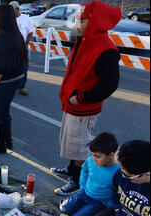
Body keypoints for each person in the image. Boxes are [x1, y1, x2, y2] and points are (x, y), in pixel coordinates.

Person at [51, 1, 121, 196]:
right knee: (71, 143)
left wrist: (80, 98)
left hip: (83, 107)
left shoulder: (106, 49)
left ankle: (77, 181)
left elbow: (109, 85)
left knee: (80, 147)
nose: (77, 25)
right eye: (77, 20)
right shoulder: (84, 39)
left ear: (96, 21)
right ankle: (72, 170)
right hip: (71, 104)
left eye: (82, 20)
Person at [0, 5, 27, 154]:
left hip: (4, 81)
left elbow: (0, 64)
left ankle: (1, 145)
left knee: (1, 113)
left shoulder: (2, 36)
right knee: (5, 110)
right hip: (16, 77)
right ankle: (8, 140)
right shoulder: (16, 33)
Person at [60, 132, 120, 216]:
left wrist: (109, 203)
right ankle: (68, 205)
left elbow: (119, 192)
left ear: (111, 155)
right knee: (64, 209)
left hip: (99, 202)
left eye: (98, 156)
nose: (93, 159)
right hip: (84, 193)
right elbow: (84, 170)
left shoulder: (118, 172)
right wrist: (83, 186)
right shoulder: (91, 161)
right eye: (92, 155)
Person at [10, 1, 35, 96]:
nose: (11, 13)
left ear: (18, 9)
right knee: (11, 67)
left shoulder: (25, 18)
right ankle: (11, 85)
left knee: (23, 67)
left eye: (13, 11)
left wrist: (26, 43)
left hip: (22, 47)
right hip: (11, 48)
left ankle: (22, 86)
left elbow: (30, 31)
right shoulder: (9, 19)